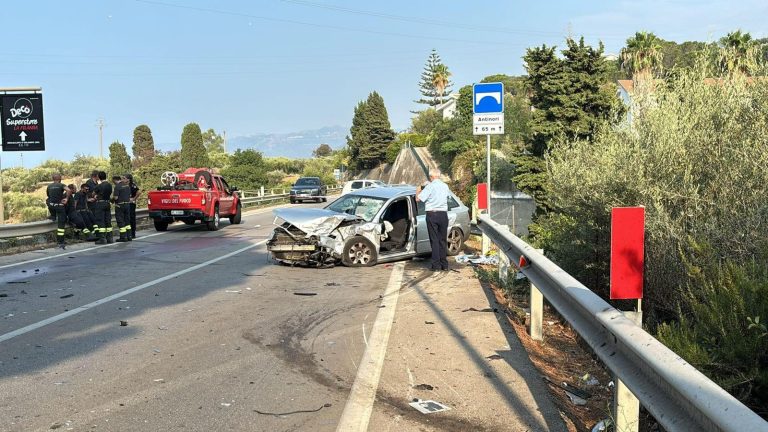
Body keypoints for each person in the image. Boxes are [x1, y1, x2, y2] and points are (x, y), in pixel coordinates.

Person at [416, 168, 452, 272]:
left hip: (432, 214)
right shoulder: (445, 186)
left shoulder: (429, 186)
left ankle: (436, 265)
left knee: (434, 240)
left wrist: (418, 189)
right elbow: (448, 198)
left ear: (431, 177)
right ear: (439, 176)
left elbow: (418, 199)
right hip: (443, 214)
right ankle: (444, 265)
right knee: (442, 240)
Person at [46, 174, 69, 249]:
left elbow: (48, 196)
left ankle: (53, 216)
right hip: (60, 206)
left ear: (53, 179)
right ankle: (61, 242)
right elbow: (68, 190)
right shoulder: (61, 185)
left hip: (52, 206)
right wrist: (66, 198)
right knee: (61, 225)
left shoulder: (49, 186)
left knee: (50, 205)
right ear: (60, 179)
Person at [92, 171, 113, 245]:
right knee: (108, 220)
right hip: (107, 203)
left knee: (100, 221)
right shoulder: (109, 185)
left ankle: (102, 239)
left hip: (100, 204)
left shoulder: (99, 186)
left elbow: (93, 194)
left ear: (99, 177)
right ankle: (110, 238)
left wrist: (96, 196)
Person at [112, 174, 132, 242]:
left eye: (113, 181)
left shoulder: (117, 187)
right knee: (127, 221)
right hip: (127, 205)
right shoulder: (127, 186)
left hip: (120, 206)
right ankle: (129, 236)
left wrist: (111, 200)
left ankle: (123, 237)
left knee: (120, 221)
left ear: (115, 180)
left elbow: (116, 197)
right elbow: (129, 195)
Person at [85, 170, 100, 234]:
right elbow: (85, 192)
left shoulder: (96, 182)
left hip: (96, 203)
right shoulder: (89, 182)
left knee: (96, 217)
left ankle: (97, 231)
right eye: (99, 176)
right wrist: (88, 199)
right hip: (91, 203)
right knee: (92, 217)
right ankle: (93, 232)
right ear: (96, 176)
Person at [125, 173, 140, 239]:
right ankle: (127, 233)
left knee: (131, 218)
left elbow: (138, 192)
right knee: (126, 218)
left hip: (131, 204)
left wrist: (134, 199)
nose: (123, 179)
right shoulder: (123, 185)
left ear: (128, 179)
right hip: (125, 204)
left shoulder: (133, 185)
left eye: (124, 178)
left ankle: (133, 233)